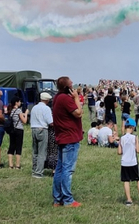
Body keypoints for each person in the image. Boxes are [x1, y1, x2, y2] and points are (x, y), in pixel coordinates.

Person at [52, 76, 83, 208]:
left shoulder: (57, 98)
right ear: (67, 87)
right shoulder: (65, 99)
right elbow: (78, 113)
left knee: (59, 169)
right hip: (70, 137)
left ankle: (57, 199)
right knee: (67, 170)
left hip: (62, 136)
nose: (73, 85)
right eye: (71, 83)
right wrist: (76, 98)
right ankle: (68, 200)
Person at [29, 92, 53, 178]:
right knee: (42, 152)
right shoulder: (46, 109)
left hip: (34, 129)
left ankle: (34, 169)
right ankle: (38, 172)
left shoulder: (34, 107)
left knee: (35, 151)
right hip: (42, 130)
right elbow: (50, 122)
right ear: (47, 100)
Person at [6, 97, 27, 170]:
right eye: (19, 101)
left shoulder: (11, 111)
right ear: (16, 102)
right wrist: (26, 114)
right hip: (19, 130)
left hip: (12, 130)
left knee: (11, 146)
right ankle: (17, 165)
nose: (20, 103)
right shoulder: (18, 110)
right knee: (18, 147)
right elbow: (24, 121)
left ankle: (10, 164)